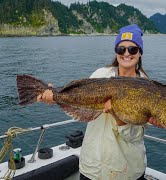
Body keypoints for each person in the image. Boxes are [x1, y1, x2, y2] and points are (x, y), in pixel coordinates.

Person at [37, 24, 148, 180]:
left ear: (140, 53)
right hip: (92, 168)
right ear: (116, 51)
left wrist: (117, 116)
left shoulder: (146, 87)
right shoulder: (101, 74)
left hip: (127, 172)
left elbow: (136, 136)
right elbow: (79, 99)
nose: (126, 54)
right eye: (121, 49)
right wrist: (55, 96)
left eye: (132, 49)